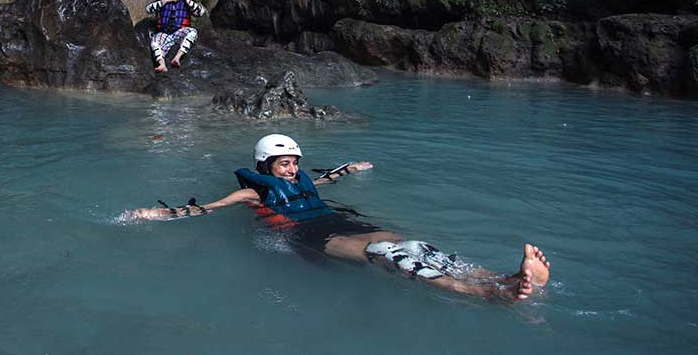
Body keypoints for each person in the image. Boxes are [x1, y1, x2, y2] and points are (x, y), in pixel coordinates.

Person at [129, 134, 550, 302]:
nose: (292, 169)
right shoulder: (249, 192)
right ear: (265, 165)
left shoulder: (304, 182)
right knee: (385, 251)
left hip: (337, 221)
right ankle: (476, 292)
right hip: (306, 234)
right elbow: (206, 208)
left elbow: (324, 182)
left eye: (295, 163)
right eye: (283, 164)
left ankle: (502, 278)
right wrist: (157, 213)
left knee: (413, 245)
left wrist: (348, 169)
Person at [145, 0, 207, 73]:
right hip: (164, 33)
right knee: (154, 42)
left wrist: (187, 0)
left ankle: (177, 58)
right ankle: (162, 64)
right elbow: (148, 9)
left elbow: (200, 12)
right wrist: (165, 1)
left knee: (193, 33)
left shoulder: (188, 2)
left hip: (180, 32)